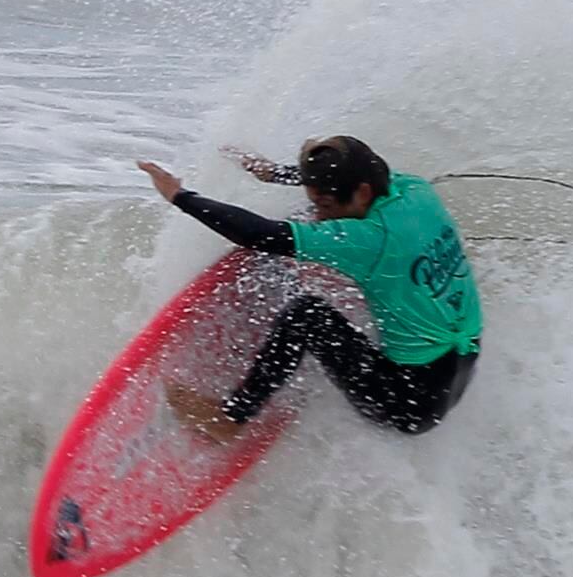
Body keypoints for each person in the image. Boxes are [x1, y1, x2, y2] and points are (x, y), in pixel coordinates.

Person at [131, 135, 481, 441]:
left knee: (306, 315)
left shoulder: (370, 240)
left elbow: (259, 235)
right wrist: (273, 173)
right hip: (459, 365)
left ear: (361, 192)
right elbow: (351, 178)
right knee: (314, 250)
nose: (319, 215)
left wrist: (180, 196)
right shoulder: (414, 190)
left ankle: (230, 419)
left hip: (407, 404)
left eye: (325, 205)